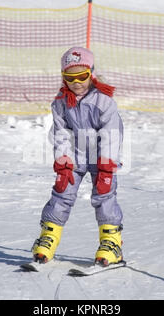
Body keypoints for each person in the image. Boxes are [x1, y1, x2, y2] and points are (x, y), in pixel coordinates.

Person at [31, 47, 124, 266]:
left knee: (104, 195)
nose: (77, 82)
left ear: (91, 73)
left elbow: (112, 133)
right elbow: (61, 132)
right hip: (74, 157)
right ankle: (49, 236)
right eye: (70, 77)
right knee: (61, 193)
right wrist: (63, 160)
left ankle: (112, 243)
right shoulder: (61, 101)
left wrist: (107, 165)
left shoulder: (104, 101)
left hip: (101, 158)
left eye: (82, 76)